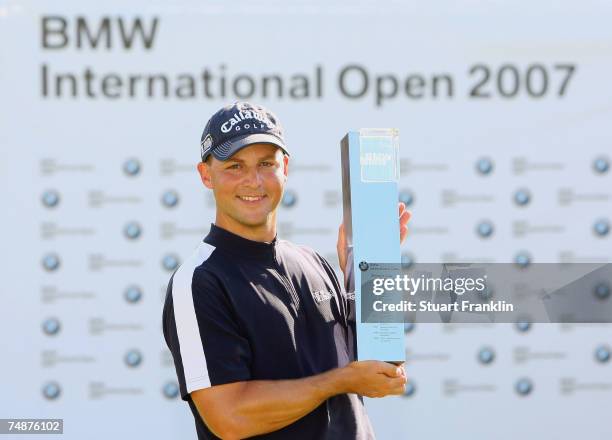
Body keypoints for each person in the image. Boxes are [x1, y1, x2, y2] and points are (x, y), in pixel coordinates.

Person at [162, 102, 411, 439]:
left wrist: (366, 271)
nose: (253, 180)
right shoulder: (200, 281)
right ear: (206, 175)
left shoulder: (314, 262)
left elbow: (374, 373)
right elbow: (229, 417)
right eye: (235, 166)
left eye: (266, 163)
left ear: (286, 168)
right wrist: (340, 381)